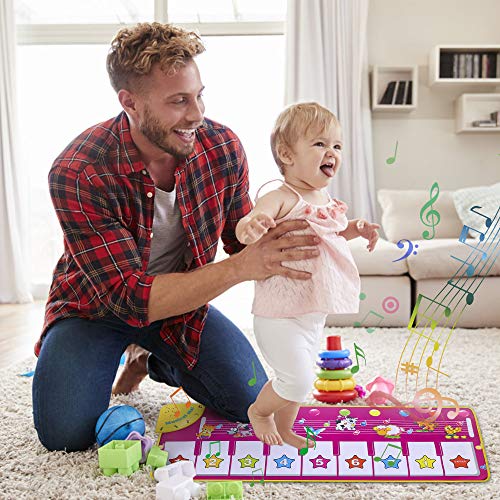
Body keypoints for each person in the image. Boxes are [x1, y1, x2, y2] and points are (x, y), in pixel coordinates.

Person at [32, 23, 321, 452]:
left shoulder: (221, 147)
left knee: (250, 403)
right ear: (129, 102)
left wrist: (283, 227)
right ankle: (123, 353)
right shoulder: (78, 171)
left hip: (183, 309)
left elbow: (239, 238)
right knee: (65, 435)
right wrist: (242, 266)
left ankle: (153, 359)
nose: (196, 113)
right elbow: (128, 297)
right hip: (94, 309)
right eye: (178, 101)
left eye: (199, 94)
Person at [235, 102, 380, 449]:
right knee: (297, 380)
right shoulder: (281, 196)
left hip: (311, 312)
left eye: (337, 146)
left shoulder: (324, 198)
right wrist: (252, 226)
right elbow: (247, 225)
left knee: (298, 375)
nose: (331, 152)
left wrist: (355, 228)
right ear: (287, 154)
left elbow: (332, 233)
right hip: (279, 313)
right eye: (319, 144)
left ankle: (286, 429)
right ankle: (260, 412)